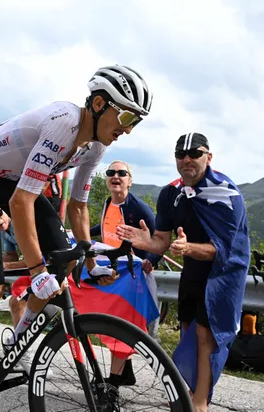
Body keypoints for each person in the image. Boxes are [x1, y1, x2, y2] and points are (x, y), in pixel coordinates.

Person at [0, 64, 153, 412]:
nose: (127, 128)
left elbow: (78, 205)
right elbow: (21, 202)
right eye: (125, 115)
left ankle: (13, 348)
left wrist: (90, 262)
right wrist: (36, 271)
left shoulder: (96, 145)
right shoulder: (64, 122)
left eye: (135, 121)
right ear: (98, 104)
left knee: (64, 263)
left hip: (15, 180)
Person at [117, 133, 249, 412]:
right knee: (187, 326)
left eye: (194, 153)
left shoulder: (227, 193)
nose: (186, 158)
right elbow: (162, 240)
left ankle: (199, 402)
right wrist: (147, 243)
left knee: (205, 334)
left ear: (209, 157)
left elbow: (223, 250)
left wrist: (188, 247)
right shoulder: (170, 193)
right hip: (192, 267)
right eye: (180, 153)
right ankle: (189, 388)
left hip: (225, 273)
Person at [87, 160, 162, 386]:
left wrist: (151, 260)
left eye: (122, 173)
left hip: (136, 275)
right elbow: (103, 229)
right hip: (115, 273)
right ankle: (122, 374)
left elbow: (159, 238)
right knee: (114, 324)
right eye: (111, 172)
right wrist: (78, 232)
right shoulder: (107, 202)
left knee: (143, 331)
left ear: (130, 181)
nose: (116, 176)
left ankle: (172, 382)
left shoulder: (138, 208)